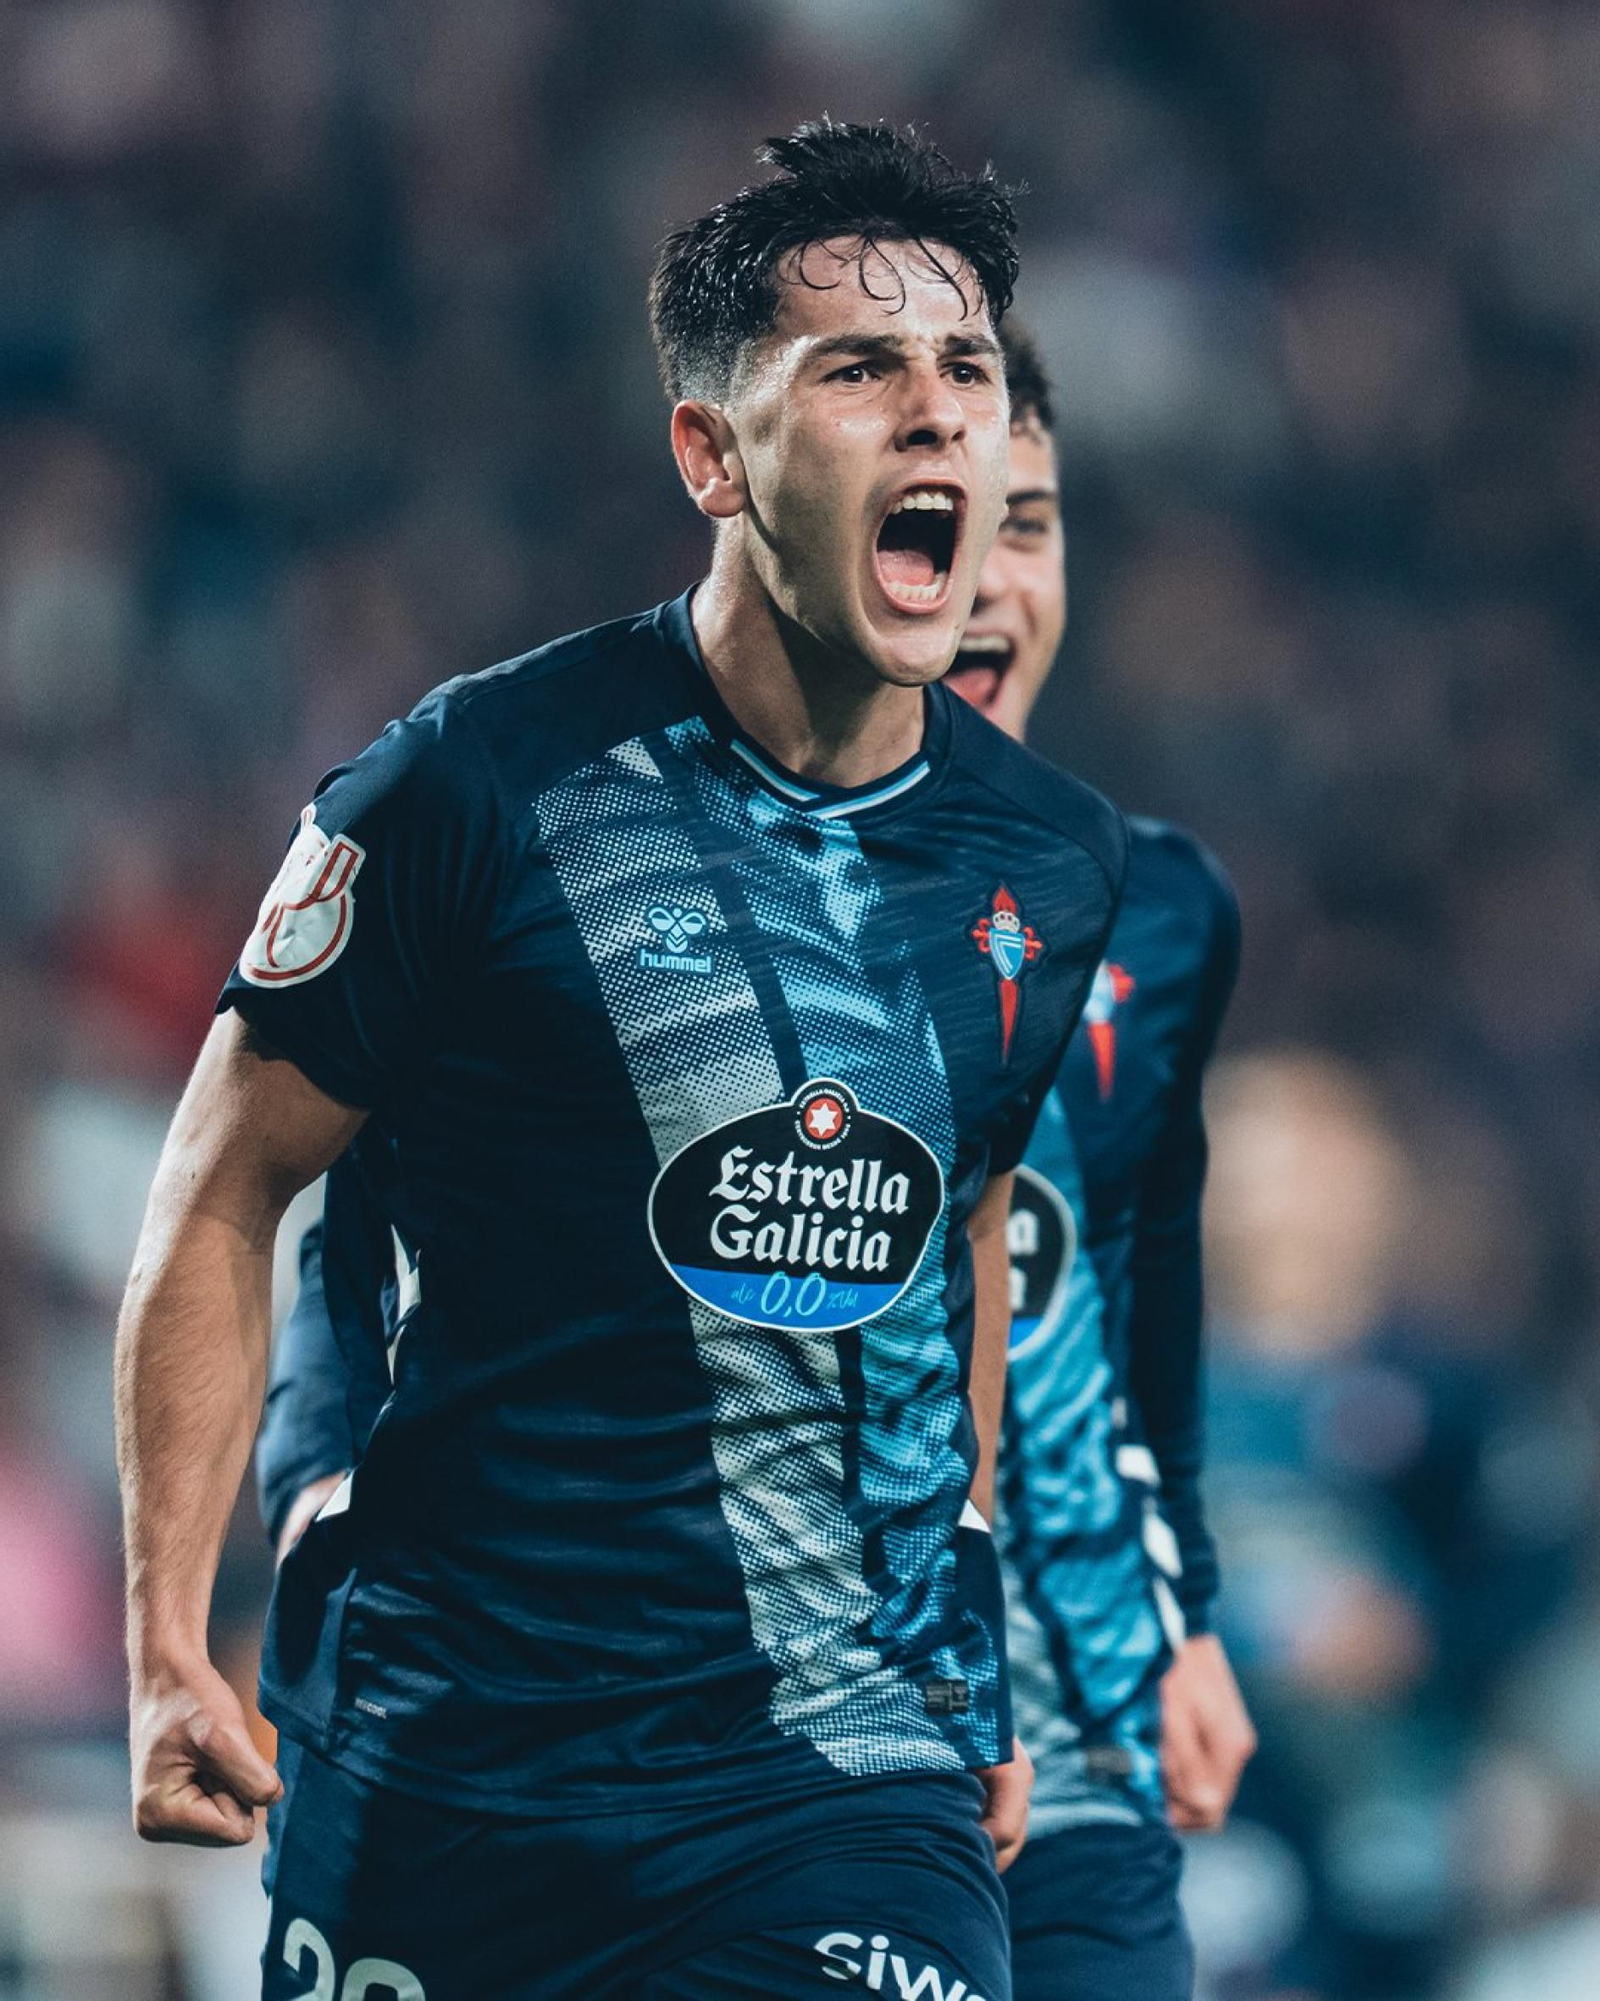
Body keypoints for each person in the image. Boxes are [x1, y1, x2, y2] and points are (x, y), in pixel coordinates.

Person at [115, 122, 1129, 2001]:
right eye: (859, 369)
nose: (935, 417)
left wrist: (962, 1595)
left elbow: (962, 1219)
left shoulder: (1049, 867)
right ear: (712, 454)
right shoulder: (470, 790)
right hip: (461, 1770)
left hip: (836, 1773)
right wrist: (174, 1634)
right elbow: (227, 1184)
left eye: (966, 373)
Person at [945, 324, 1256, 2000]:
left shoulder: (1164, 911)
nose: (992, 581)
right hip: (781, 1762)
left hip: (1082, 1738)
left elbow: (1146, 1297)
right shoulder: (680, 895)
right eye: (947, 521)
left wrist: (1189, 1608)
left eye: (1034, 522)